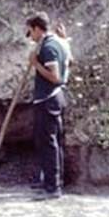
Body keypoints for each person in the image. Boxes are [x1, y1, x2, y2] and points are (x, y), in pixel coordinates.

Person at [26, 12, 69, 200]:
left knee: (49, 143)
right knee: (51, 142)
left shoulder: (49, 47)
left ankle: (53, 187)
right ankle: (52, 181)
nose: (30, 37)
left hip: (48, 100)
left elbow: (55, 76)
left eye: (30, 32)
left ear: (37, 28)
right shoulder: (59, 43)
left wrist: (36, 64)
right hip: (54, 98)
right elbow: (71, 62)